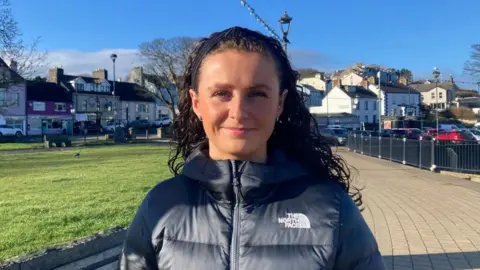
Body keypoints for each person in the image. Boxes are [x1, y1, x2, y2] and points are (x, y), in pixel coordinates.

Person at [120, 26, 385, 270]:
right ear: (197, 103)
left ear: (279, 103)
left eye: (257, 94)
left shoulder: (332, 208)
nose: (239, 112)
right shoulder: (160, 206)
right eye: (221, 93)